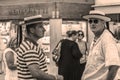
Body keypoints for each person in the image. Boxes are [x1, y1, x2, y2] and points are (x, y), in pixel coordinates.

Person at [17, 15, 63, 80]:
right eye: (40, 27)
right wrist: (55, 78)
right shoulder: (30, 47)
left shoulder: (31, 45)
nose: (44, 29)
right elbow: (36, 73)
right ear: (32, 30)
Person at [81, 10, 120, 80]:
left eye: (96, 21)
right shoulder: (96, 38)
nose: (92, 24)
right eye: (90, 21)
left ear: (103, 23)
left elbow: (114, 65)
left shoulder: (107, 40)